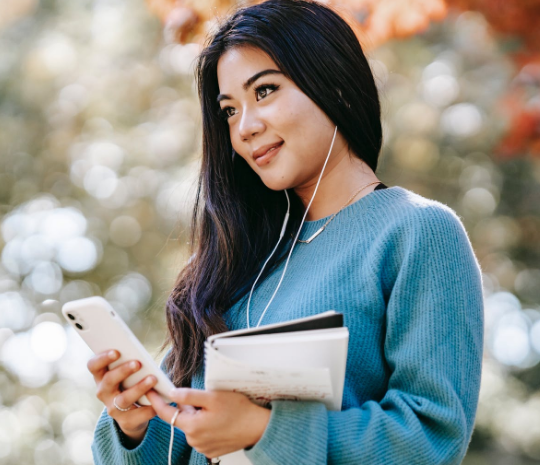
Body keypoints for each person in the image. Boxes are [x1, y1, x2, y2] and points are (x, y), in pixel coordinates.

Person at [87, 0, 484, 463]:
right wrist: (135, 424)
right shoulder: (236, 261)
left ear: (333, 82)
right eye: (230, 111)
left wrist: (264, 429)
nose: (246, 128)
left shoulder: (417, 232)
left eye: (265, 91)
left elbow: (431, 439)